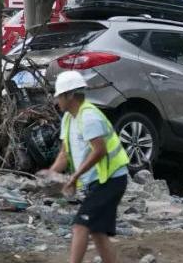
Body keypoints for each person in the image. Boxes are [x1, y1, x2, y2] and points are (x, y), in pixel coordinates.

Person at [40, 71, 130, 263]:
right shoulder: (68, 119)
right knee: (97, 232)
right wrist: (51, 173)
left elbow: (99, 151)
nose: (56, 101)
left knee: (80, 225)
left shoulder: (89, 117)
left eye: (59, 95)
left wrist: (73, 177)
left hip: (111, 179)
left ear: (70, 95)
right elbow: (64, 154)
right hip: (99, 181)